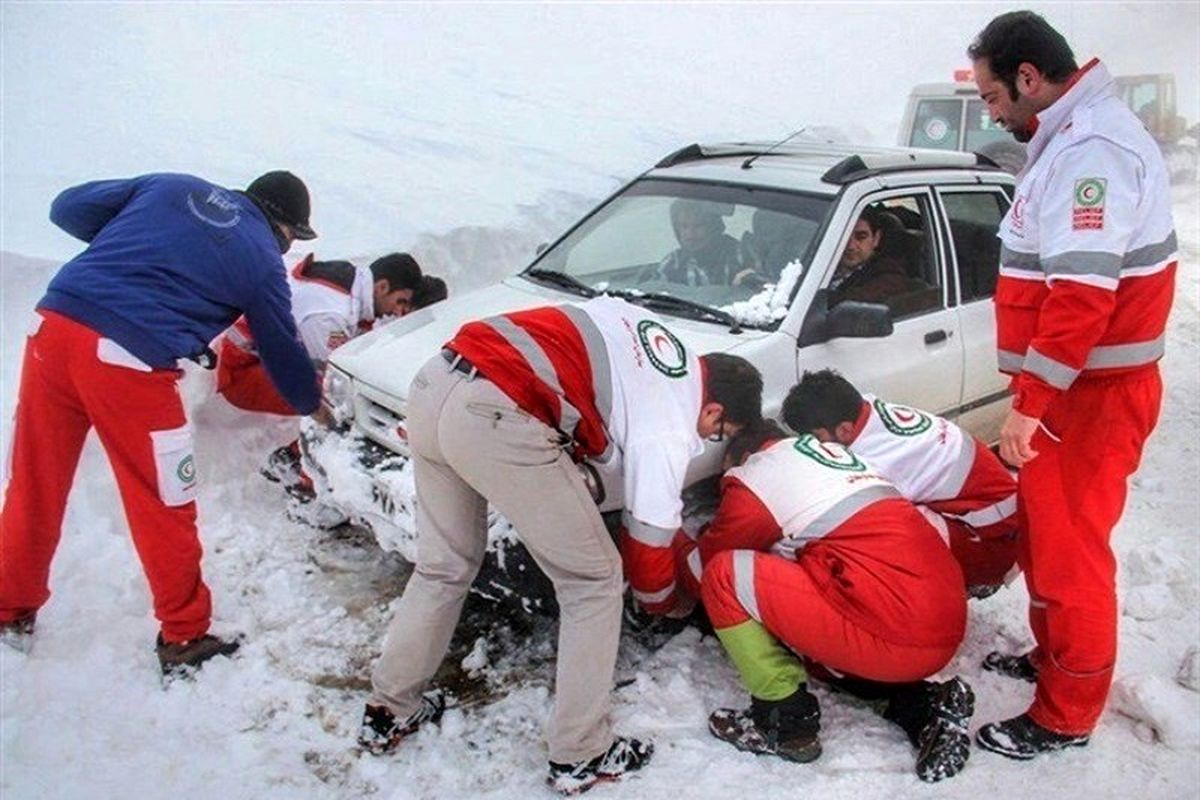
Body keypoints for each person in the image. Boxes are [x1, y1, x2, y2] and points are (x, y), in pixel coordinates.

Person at [358, 296, 763, 795]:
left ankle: (388, 709)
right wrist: (667, 604)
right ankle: (581, 752)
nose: (707, 441)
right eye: (717, 431)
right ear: (715, 407)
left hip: (434, 383)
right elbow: (649, 539)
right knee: (593, 581)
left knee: (444, 566)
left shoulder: (651, 339)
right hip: (497, 412)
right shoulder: (671, 421)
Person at [0, 170, 323, 677]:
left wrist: (144, 246)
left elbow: (66, 208)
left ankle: (8, 611)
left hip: (53, 330)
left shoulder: (172, 187)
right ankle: (184, 634)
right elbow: (281, 352)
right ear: (284, 227)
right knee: (163, 500)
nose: (285, 250)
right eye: (291, 240)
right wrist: (313, 403)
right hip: (128, 361)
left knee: (33, 485)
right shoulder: (262, 261)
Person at [967, 11, 1177, 759]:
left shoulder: (1093, 151)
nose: (990, 112)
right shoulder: (1070, 139)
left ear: (1028, 78)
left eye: (993, 96)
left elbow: (1081, 297)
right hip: (1073, 392)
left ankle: (1068, 709)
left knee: (1071, 555)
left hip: (1090, 396)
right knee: (1048, 539)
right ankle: (1053, 658)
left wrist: (1032, 402)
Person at [670, 420, 974, 782]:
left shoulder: (758, 474)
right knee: (810, 645)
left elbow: (702, 572)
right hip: (941, 620)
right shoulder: (843, 462)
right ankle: (925, 707)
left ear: (747, 457)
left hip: (896, 631)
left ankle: (784, 723)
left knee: (725, 574)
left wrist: (668, 532)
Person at [782, 369, 1018, 595]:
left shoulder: (883, 461)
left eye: (816, 437)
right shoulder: (866, 409)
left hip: (998, 545)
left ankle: (950, 586)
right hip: (999, 518)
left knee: (875, 528)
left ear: (844, 430)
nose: (814, 445)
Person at [216, 251, 430, 418]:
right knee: (341, 399)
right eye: (400, 301)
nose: (397, 310)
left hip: (257, 356)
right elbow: (336, 374)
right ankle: (300, 463)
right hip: (241, 371)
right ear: (382, 287)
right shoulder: (331, 313)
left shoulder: (351, 282)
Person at [828, 205, 916, 305]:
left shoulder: (889, 275)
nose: (851, 246)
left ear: (876, 239)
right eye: (843, 237)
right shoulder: (820, 261)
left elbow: (847, 304)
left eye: (861, 237)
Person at [649, 199, 744, 286]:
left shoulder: (739, 255)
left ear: (714, 227)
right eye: (684, 226)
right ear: (677, 230)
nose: (690, 234)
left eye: (698, 225)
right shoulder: (671, 264)